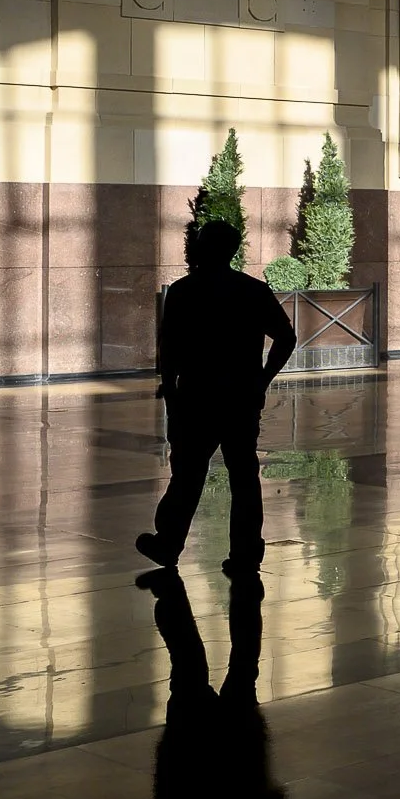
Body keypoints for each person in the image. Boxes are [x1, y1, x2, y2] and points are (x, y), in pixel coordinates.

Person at [136, 218, 296, 577]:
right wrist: (262, 379)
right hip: (240, 397)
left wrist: (171, 390)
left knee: (187, 475)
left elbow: (169, 348)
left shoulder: (182, 292)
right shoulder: (252, 291)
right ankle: (245, 554)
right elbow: (286, 338)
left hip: (196, 397)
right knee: (244, 476)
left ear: (202, 249)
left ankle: (168, 542)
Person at [138, 566, 285, 799]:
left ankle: (245, 584)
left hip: (236, 741)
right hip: (193, 740)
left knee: (242, 662)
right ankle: (170, 591)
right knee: (189, 664)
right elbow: (166, 780)